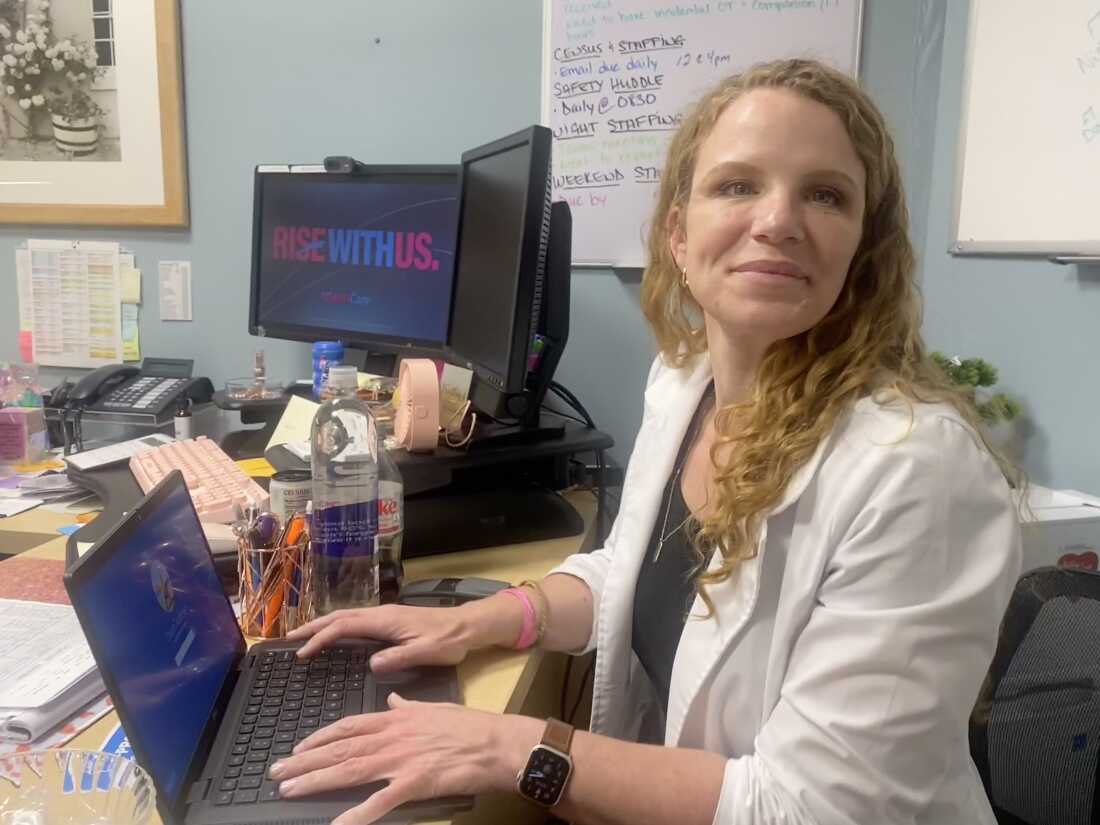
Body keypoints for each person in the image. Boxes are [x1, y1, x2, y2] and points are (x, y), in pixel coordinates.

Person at [267, 58, 1022, 825]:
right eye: (737, 185)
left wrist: (508, 745)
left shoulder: (917, 470)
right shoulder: (686, 384)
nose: (778, 219)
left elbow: (807, 807)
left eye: (826, 194)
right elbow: (627, 571)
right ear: (679, 237)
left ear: (861, 251)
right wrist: (483, 617)